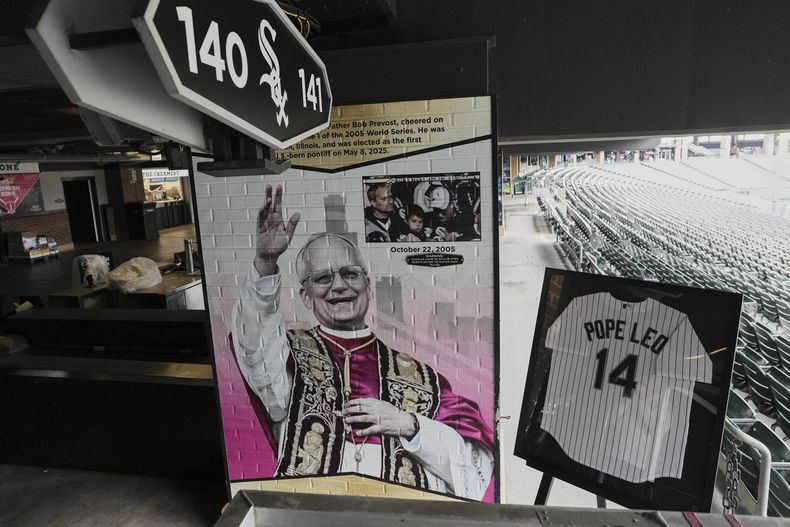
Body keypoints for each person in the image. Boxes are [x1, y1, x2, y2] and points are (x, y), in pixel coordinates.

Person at [232, 184, 494, 500]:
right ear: (306, 295)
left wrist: (409, 425)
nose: (339, 286)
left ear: (367, 286)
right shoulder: (287, 356)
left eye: (350, 274)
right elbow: (255, 347)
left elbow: (475, 470)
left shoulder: (422, 377)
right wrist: (265, 263)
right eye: (324, 277)